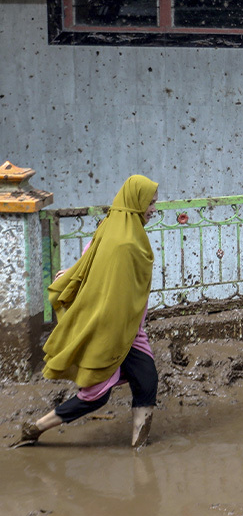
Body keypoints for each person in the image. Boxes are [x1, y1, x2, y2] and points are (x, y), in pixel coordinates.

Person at [11, 175, 159, 449]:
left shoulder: (116, 229)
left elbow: (91, 263)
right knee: (96, 395)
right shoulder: (123, 242)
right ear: (136, 201)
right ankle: (35, 428)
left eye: (154, 203)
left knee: (147, 380)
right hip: (111, 329)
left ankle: (140, 451)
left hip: (130, 330)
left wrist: (72, 274)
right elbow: (102, 275)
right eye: (150, 203)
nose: (153, 209)